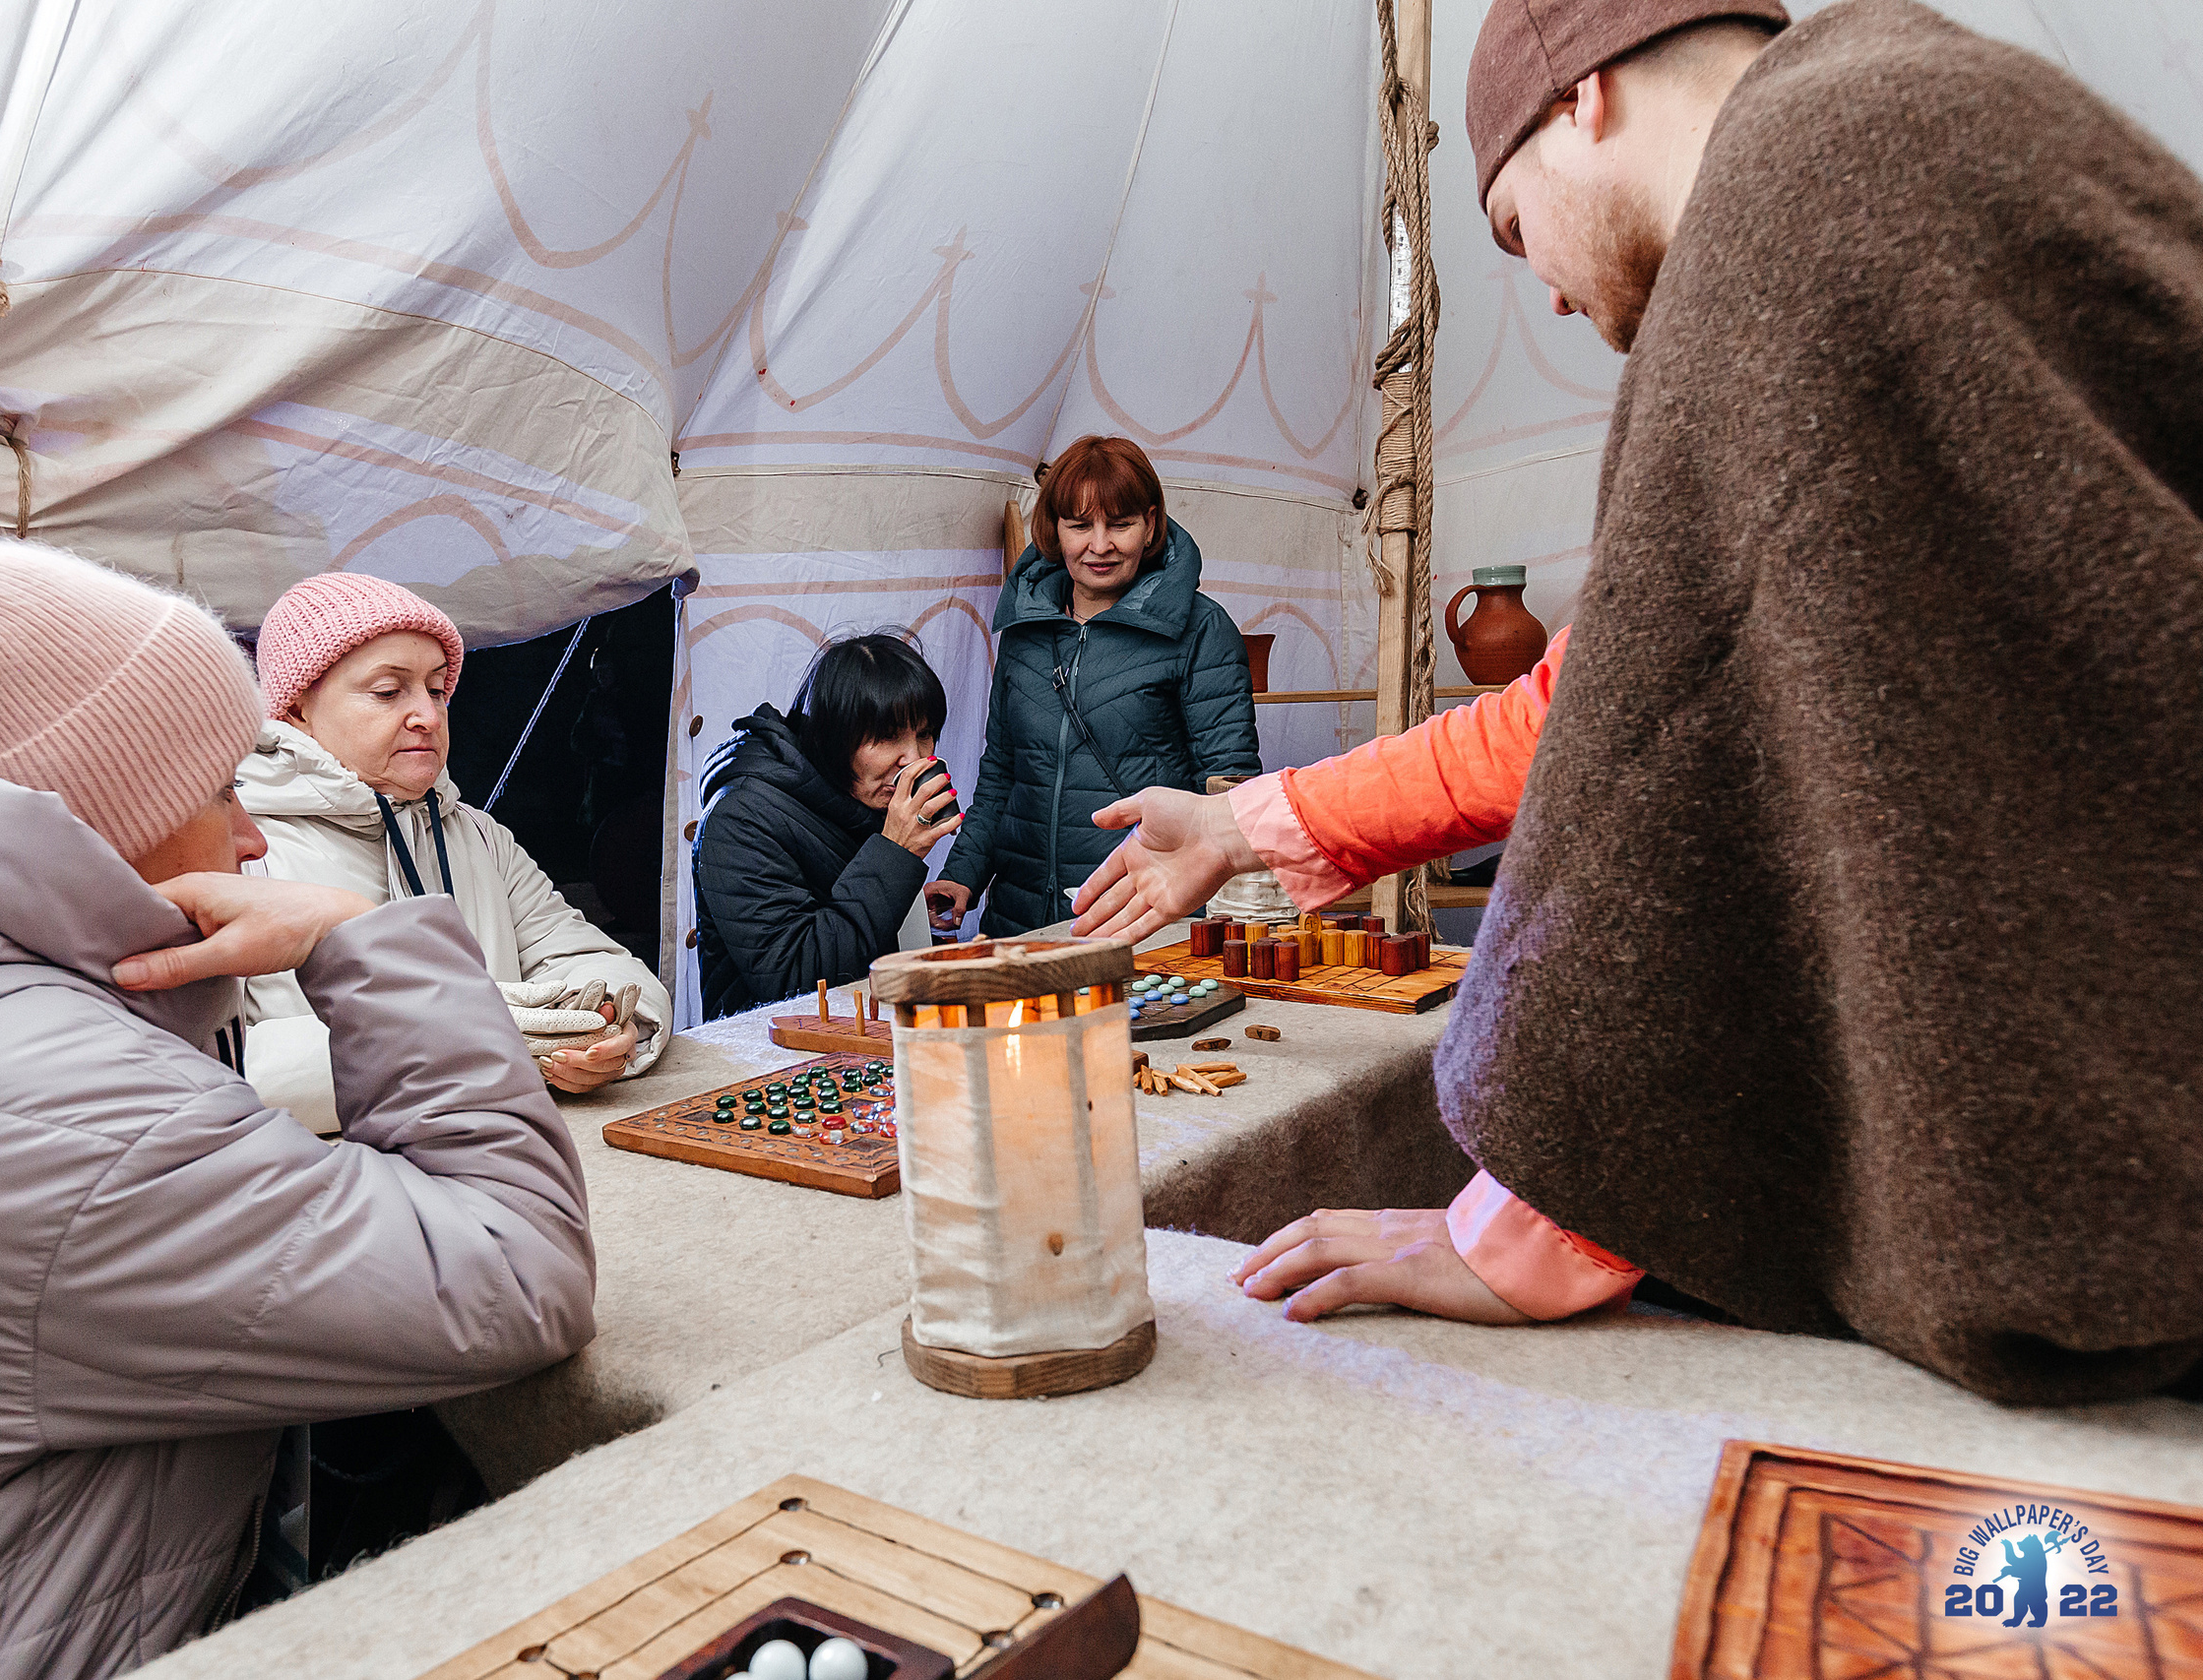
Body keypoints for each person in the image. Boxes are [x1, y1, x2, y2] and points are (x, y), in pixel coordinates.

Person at [1077, 0, 2203, 1402]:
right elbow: (1592, 706)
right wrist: (1246, 823)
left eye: (1512, 230)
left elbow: (1656, 761)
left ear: (1582, 94)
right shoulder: (1915, 108)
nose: (1546, 294)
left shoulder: (1783, 209)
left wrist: (1543, 1216)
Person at [0, 530, 596, 1680]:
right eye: (220, 788)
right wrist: (368, 942)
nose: (252, 837)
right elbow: (515, 1276)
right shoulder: (60, 1111)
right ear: (99, 816)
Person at [240, 573, 670, 1130]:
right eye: (388, 691)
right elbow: (210, 1065)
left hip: (503, 1154)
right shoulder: (239, 849)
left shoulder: (477, 836)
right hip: (335, 1174)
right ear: (298, 709)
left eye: (437, 689)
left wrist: (606, 1025)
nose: (428, 714)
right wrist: (456, 1042)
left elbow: (587, 958)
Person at [928, 435, 1261, 938]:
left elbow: (1229, 788)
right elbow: (1002, 773)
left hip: (1141, 916)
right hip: (1021, 920)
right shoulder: (1025, 630)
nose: (1100, 545)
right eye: (1080, 525)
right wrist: (962, 873)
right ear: (1054, 528)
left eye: (1120, 524)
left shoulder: (1200, 629)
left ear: (1151, 524)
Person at [694, 631, 961, 1020]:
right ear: (832, 735)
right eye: (887, 737)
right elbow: (794, 980)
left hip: (871, 1031)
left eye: (924, 734)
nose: (914, 758)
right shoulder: (739, 818)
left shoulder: (862, 794)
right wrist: (897, 852)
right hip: (772, 1047)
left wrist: (913, 913)